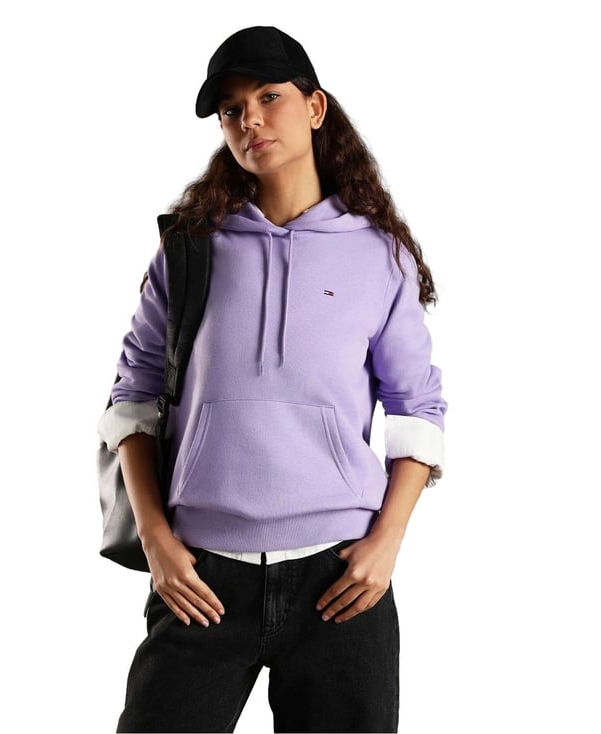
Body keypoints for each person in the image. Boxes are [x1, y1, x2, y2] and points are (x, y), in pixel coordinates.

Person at [97, 25, 447, 734]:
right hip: (200, 579)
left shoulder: (379, 255)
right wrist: (158, 542)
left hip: (339, 582)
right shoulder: (190, 248)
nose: (250, 120)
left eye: (269, 97)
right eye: (231, 110)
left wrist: (386, 545)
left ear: (315, 108)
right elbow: (132, 400)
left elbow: (418, 410)